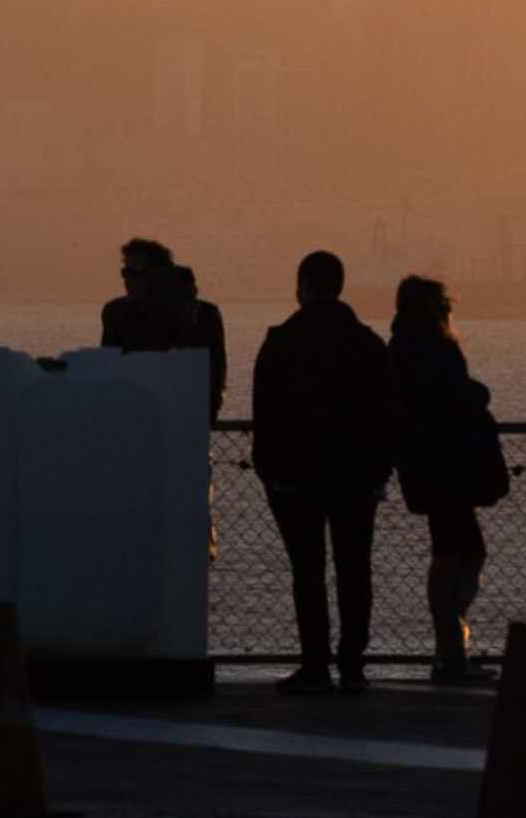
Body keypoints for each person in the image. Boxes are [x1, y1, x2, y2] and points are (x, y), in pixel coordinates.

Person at [249, 252, 400, 692]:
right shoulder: (367, 344)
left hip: (294, 480)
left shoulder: (280, 342)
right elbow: (391, 412)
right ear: (339, 284)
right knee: (355, 570)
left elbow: (265, 413)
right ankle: (353, 664)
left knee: (308, 573)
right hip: (356, 479)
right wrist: (379, 469)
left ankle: (314, 663)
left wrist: (269, 470)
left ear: (304, 284)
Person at [390, 275, 505, 683]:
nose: (447, 306)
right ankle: (450, 645)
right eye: (440, 301)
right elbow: (446, 392)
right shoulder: (420, 346)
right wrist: (478, 395)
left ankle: (451, 643)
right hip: (441, 463)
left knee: (463, 551)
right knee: (458, 551)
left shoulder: (413, 343)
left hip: (442, 462)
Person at [100, 238, 231, 415]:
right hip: (129, 416)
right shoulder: (115, 313)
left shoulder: (203, 314)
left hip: (182, 417)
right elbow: (108, 368)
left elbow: (213, 377)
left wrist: (201, 419)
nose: (128, 280)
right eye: (125, 273)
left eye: (136, 273)